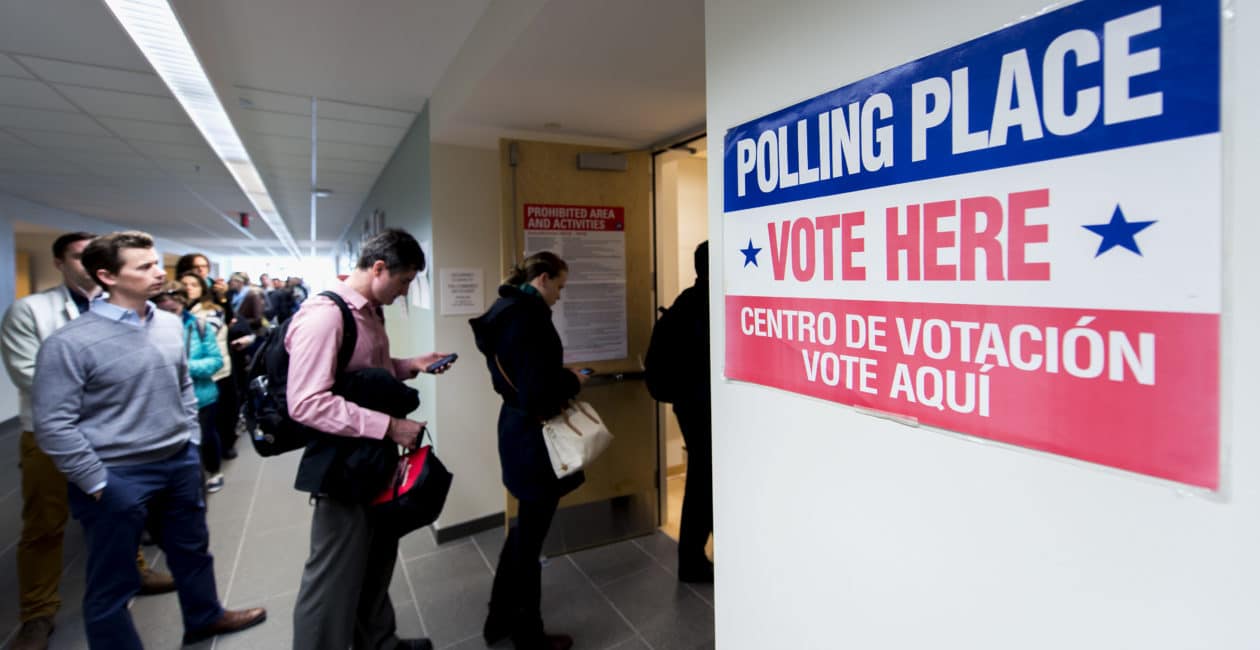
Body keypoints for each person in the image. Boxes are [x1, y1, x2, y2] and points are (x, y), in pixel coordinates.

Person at [31, 231, 266, 649]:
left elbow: (182, 388)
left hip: (177, 461)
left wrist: (190, 443)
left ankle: (204, 617)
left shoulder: (170, 325)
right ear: (106, 276)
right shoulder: (69, 343)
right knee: (113, 582)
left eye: (157, 263)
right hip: (116, 475)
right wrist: (99, 483)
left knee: (193, 551)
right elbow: (54, 425)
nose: (160, 273)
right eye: (144, 267)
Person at [1, 232, 176, 650]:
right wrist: (110, 393)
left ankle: (135, 570)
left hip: (116, 435)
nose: (89, 262)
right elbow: (33, 375)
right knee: (45, 525)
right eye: (79, 257)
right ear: (61, 263)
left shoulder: (131, 309)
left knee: (125, 509)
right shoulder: (31, 311)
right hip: (50, 436)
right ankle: (37, 612)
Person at [286, 228, 454, 650]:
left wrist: (410, 364)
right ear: (379, 268)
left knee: (376, 560)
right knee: (332, 577)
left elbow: (364, 375)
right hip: (343, 465)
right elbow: (306, 402)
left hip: (371, 458)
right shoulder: (325, 316)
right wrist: (390, 427)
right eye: (404, 281)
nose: (405, 291)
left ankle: (380, 642)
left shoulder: (370, 311)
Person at [470, 251, 587, 650]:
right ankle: (528, 634)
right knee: (529, 541)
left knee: (522, 534)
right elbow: (539, 392)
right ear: (542, 278)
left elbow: (519, 378)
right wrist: (571, 381)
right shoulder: (529, 319)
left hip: (515, 431)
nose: (559, 296)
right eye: (559, 286)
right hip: (534, 438)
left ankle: (498, 619)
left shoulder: (504, 310)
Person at [645, 241, 714, 583]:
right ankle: (692, 559)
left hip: (689, 408)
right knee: (705, 482)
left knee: (704, 479)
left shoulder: (685, 303)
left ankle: (695, 554)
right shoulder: (708, 306)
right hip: (704, 409)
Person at [157, 282, 227, 493]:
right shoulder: (148, 329)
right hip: (165, 400)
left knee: (205, 437)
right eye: (163, 310)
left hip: (201, 396)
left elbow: (216, 361)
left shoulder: (200, 326)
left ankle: (213, 471)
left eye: (173, 310)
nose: (169, 316)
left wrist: (183, 366)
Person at [180, 271, 239, 461]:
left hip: (213, 374)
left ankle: (217, 459)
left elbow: (203, 342)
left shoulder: (211, 312)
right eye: (184, 284)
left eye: (193, 285)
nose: (188, 288)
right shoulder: (173, 313)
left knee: (214, 421)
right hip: (188, 378)